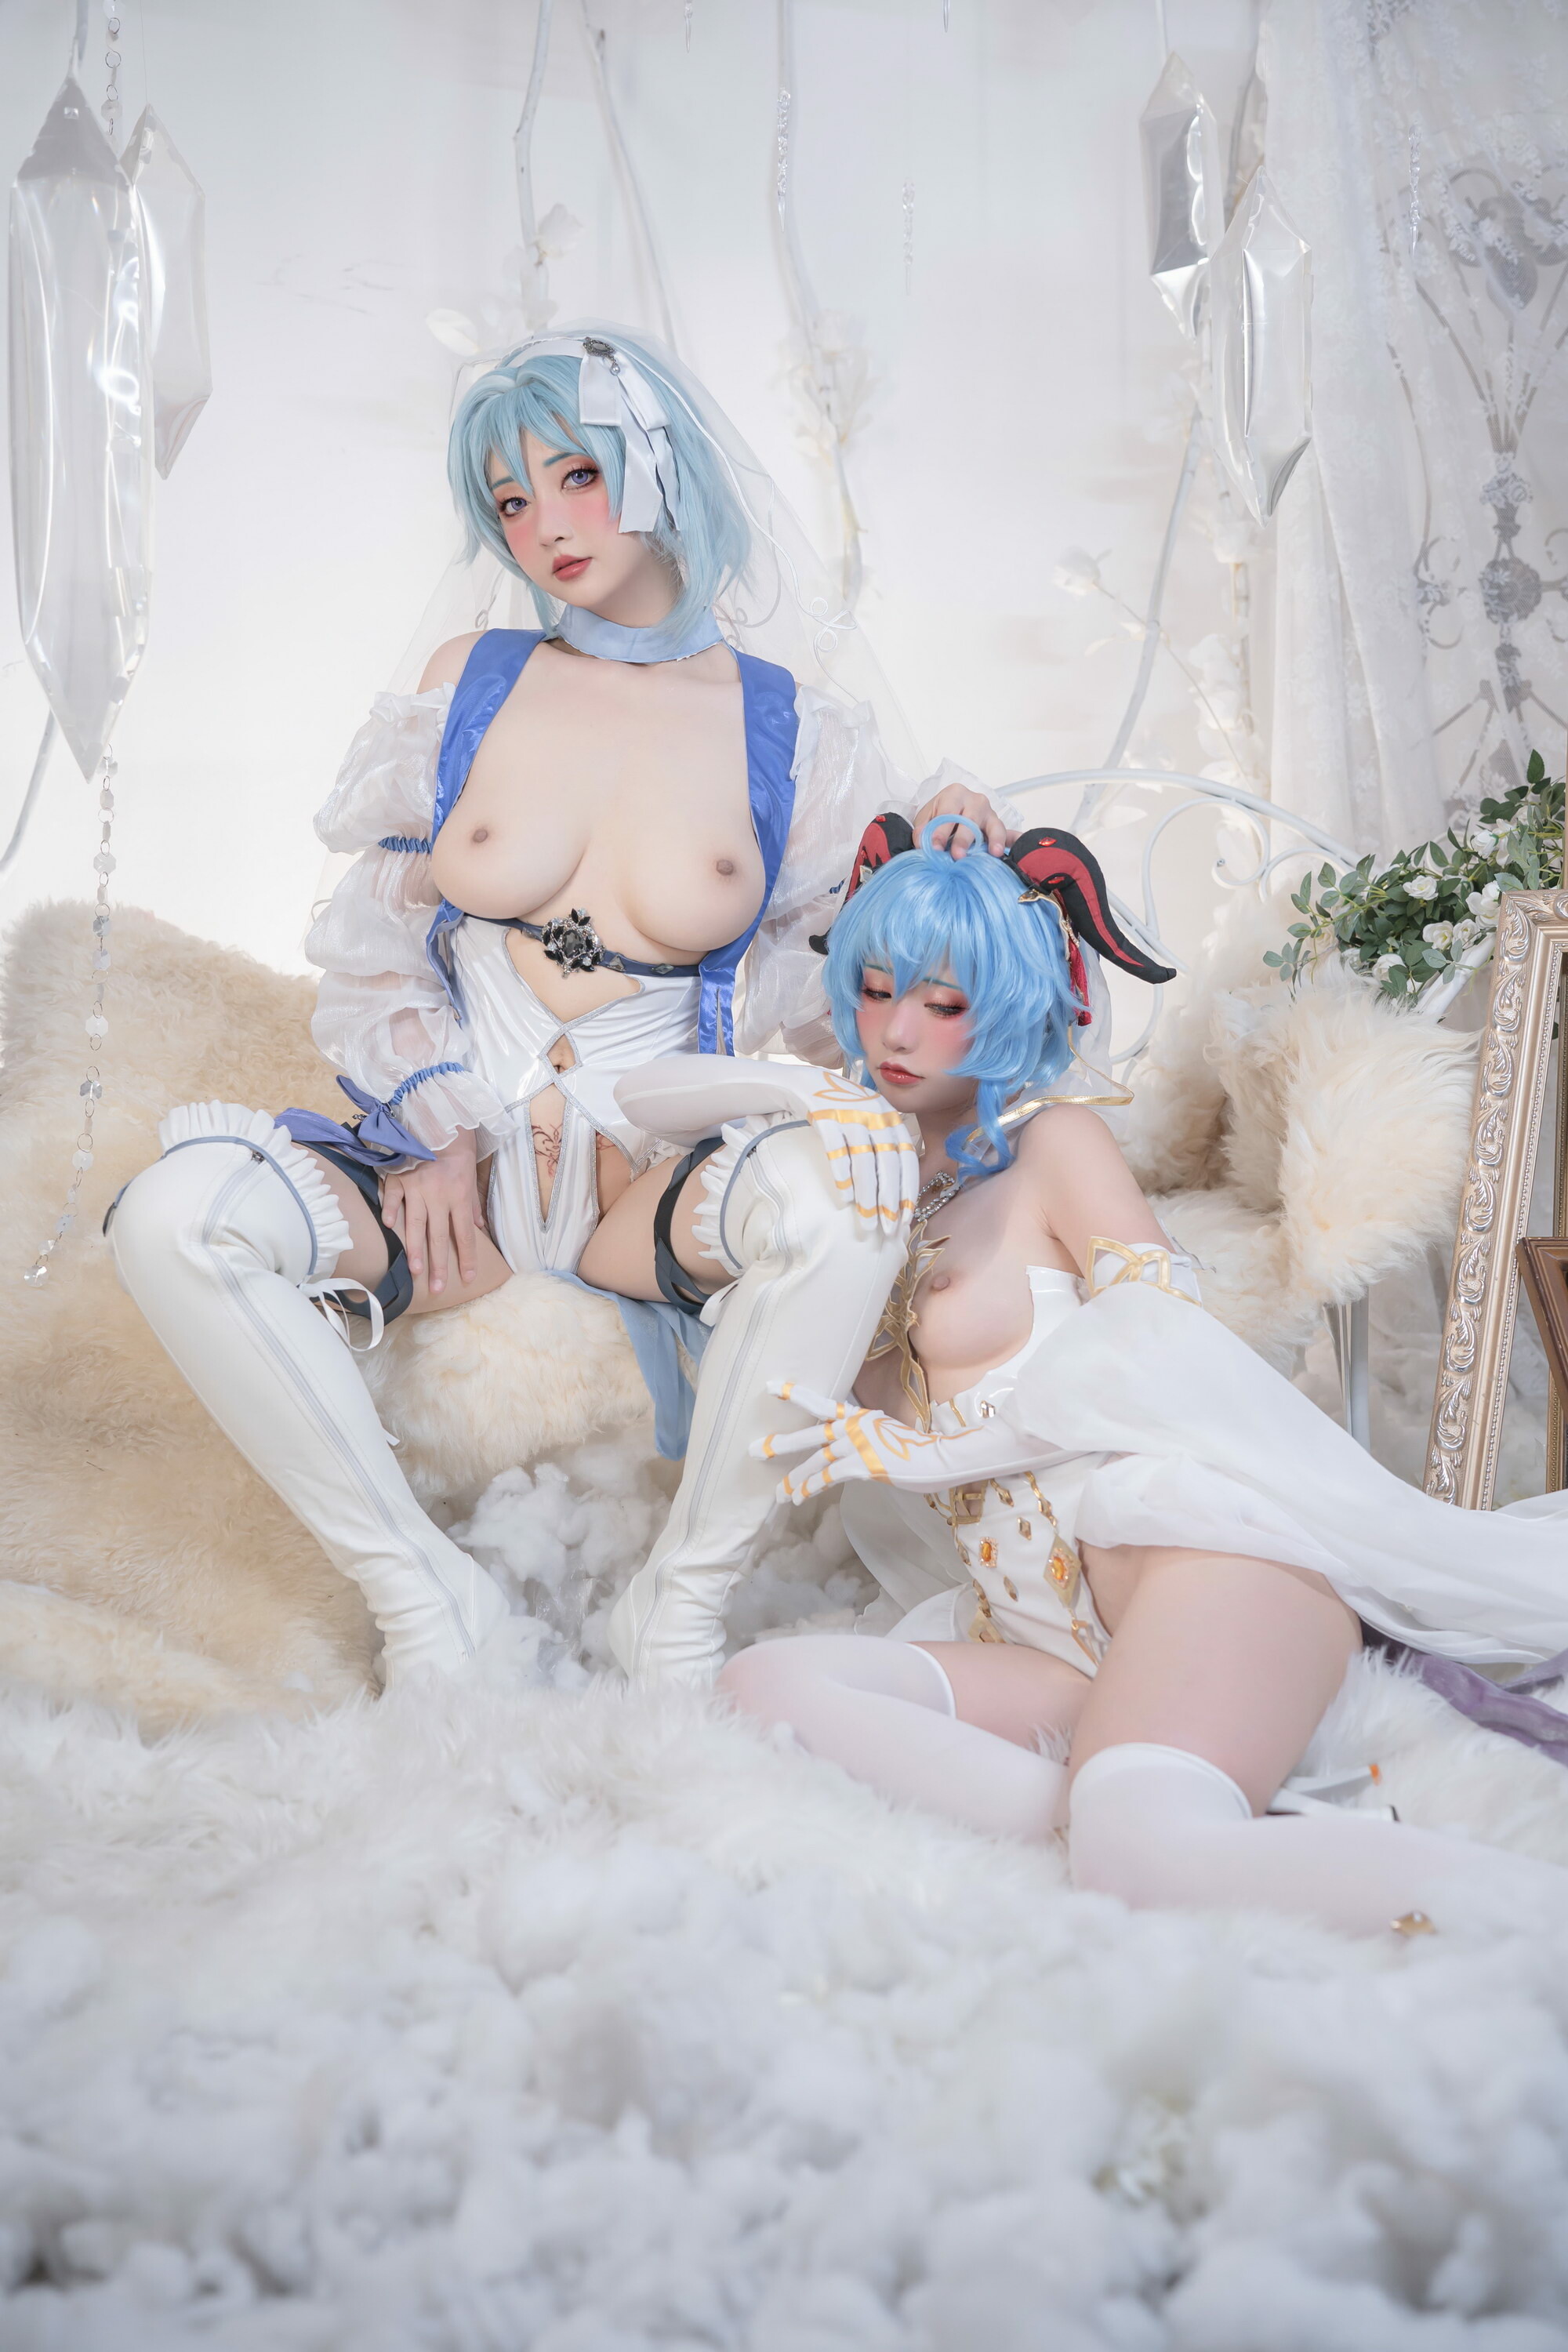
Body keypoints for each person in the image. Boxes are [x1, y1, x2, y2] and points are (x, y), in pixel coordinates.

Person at [107, 328, 1006, 1689]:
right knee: (174, 1217)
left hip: (652, 1183)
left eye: (578, 476)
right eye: (512, 500)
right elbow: (377, 945)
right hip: (448, 1163)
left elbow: (853, 997)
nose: (546, 527)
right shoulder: (471, 679)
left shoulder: (796, 733)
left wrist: (950, 862)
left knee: (842, 1205)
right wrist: (434, 1126)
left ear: (660, 469)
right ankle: (424, 1599)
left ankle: (679, 1608)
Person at [718, 814, 1568, 1939]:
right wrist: (807, 1125)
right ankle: (1128, 1808)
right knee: (761, 1689)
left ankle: (1521, 1915)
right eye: (874, 991)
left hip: (1196, 1564)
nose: (898, 1030)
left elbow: (1161, 1343)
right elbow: (666, 1124)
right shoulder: (859, 1184)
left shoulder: (1055, 1144)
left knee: (1142, 1858)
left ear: (1010, 1007)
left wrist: (927, 1452)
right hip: (1034, 1630)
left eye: (945, 1002)